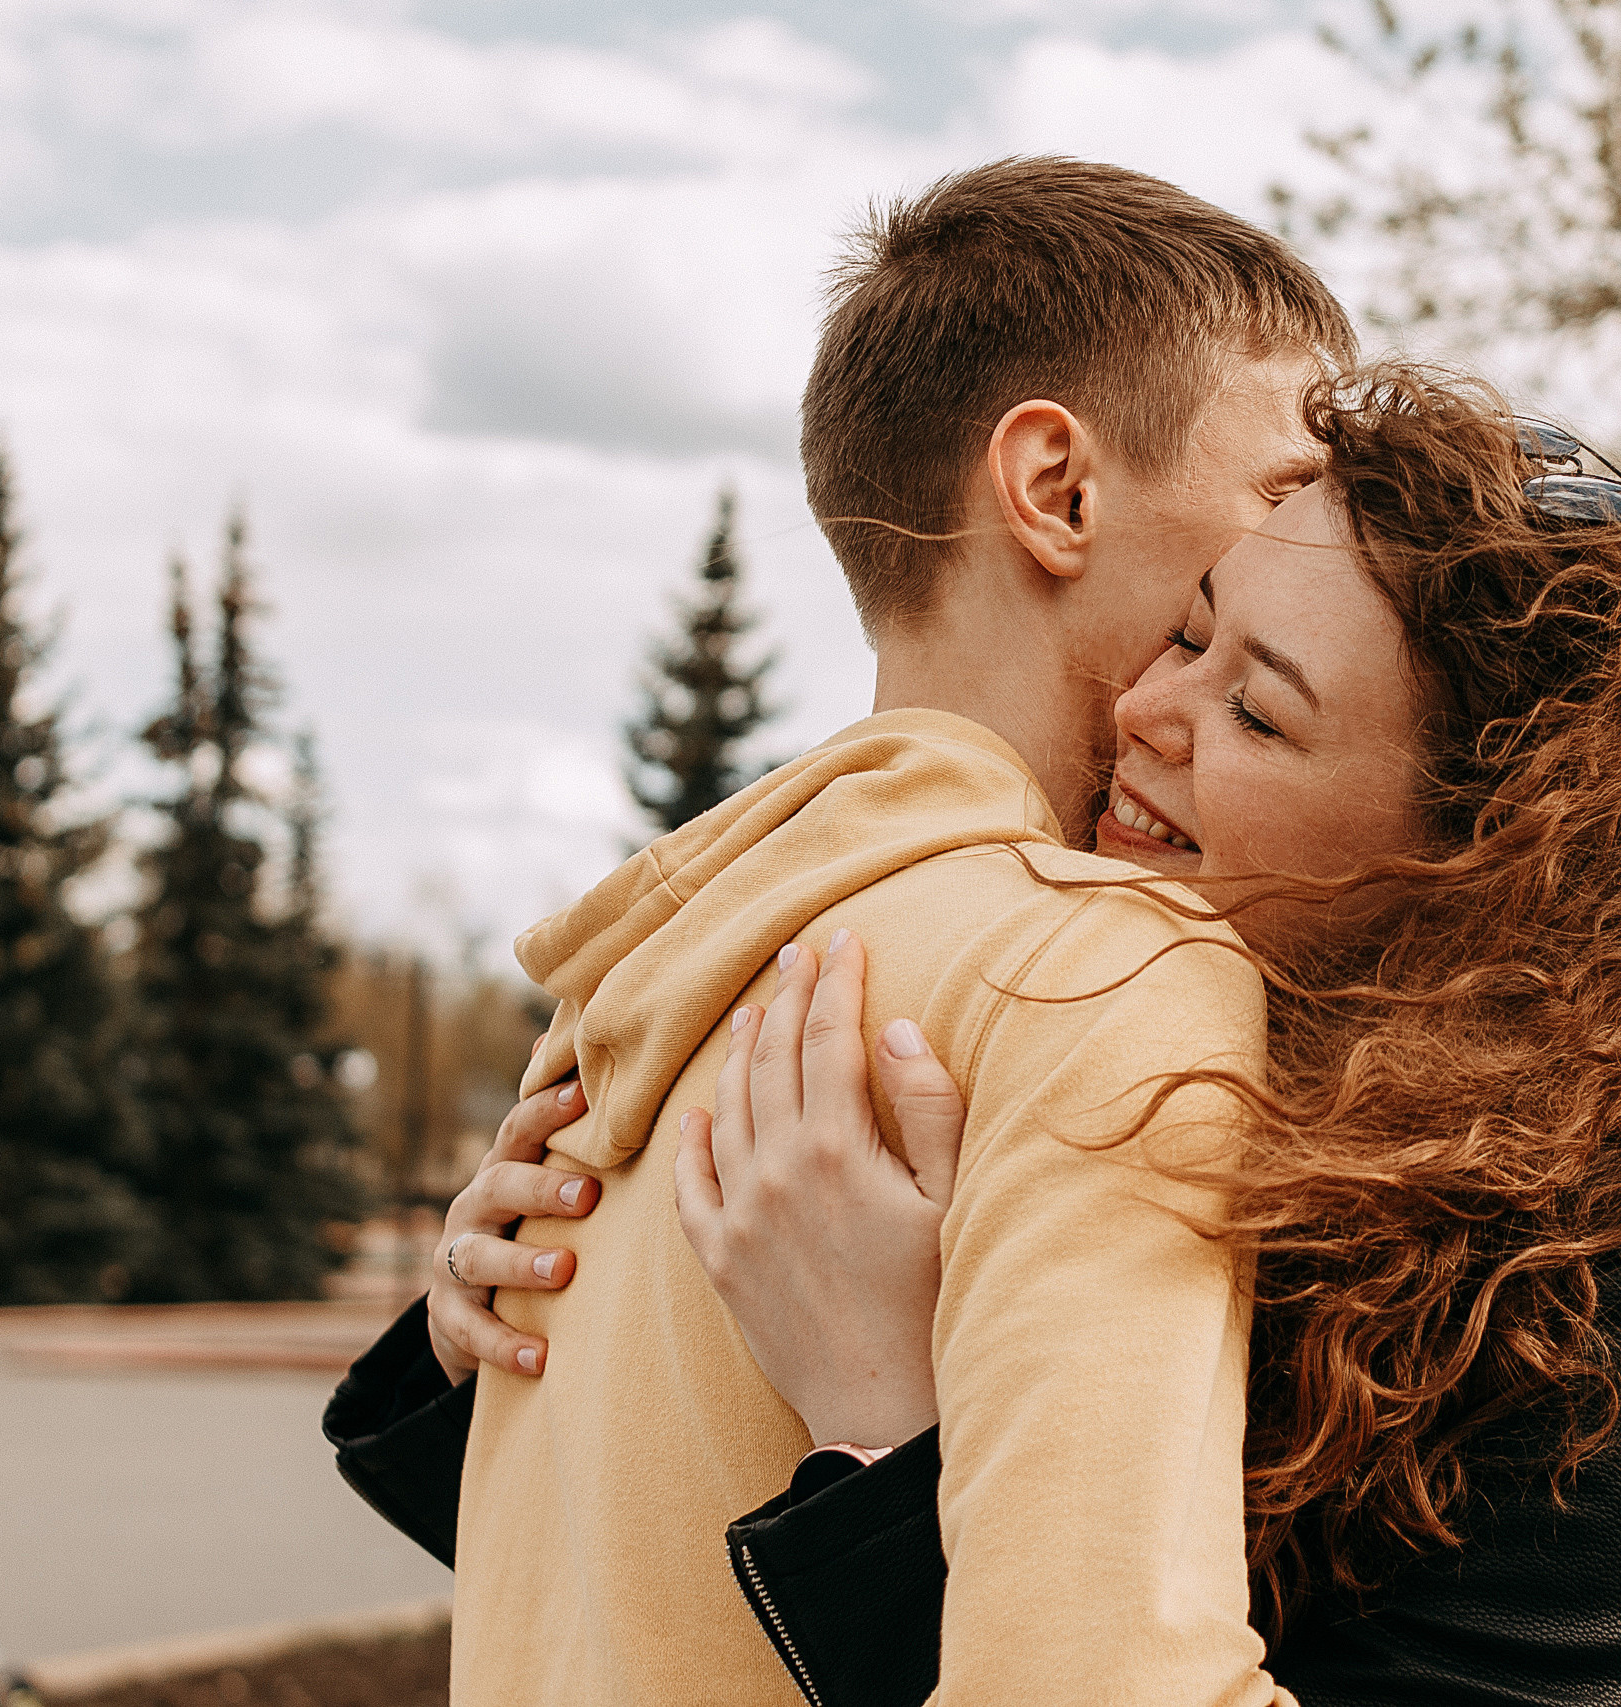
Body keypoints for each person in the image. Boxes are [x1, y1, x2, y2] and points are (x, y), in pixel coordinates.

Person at [332, 363, 1621, 1704]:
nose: (1148, 714)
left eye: (1259, 713)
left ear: (1477, 869)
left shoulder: (1609, 1367)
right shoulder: (1126, 1075)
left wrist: (881, 1428)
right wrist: (535, 1294)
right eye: (1190, 634)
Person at [326, 156, 1352, 1707]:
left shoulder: (644, 993)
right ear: (1056, 490)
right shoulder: (1101, 972)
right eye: (1285, 489)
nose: (1317, 546)